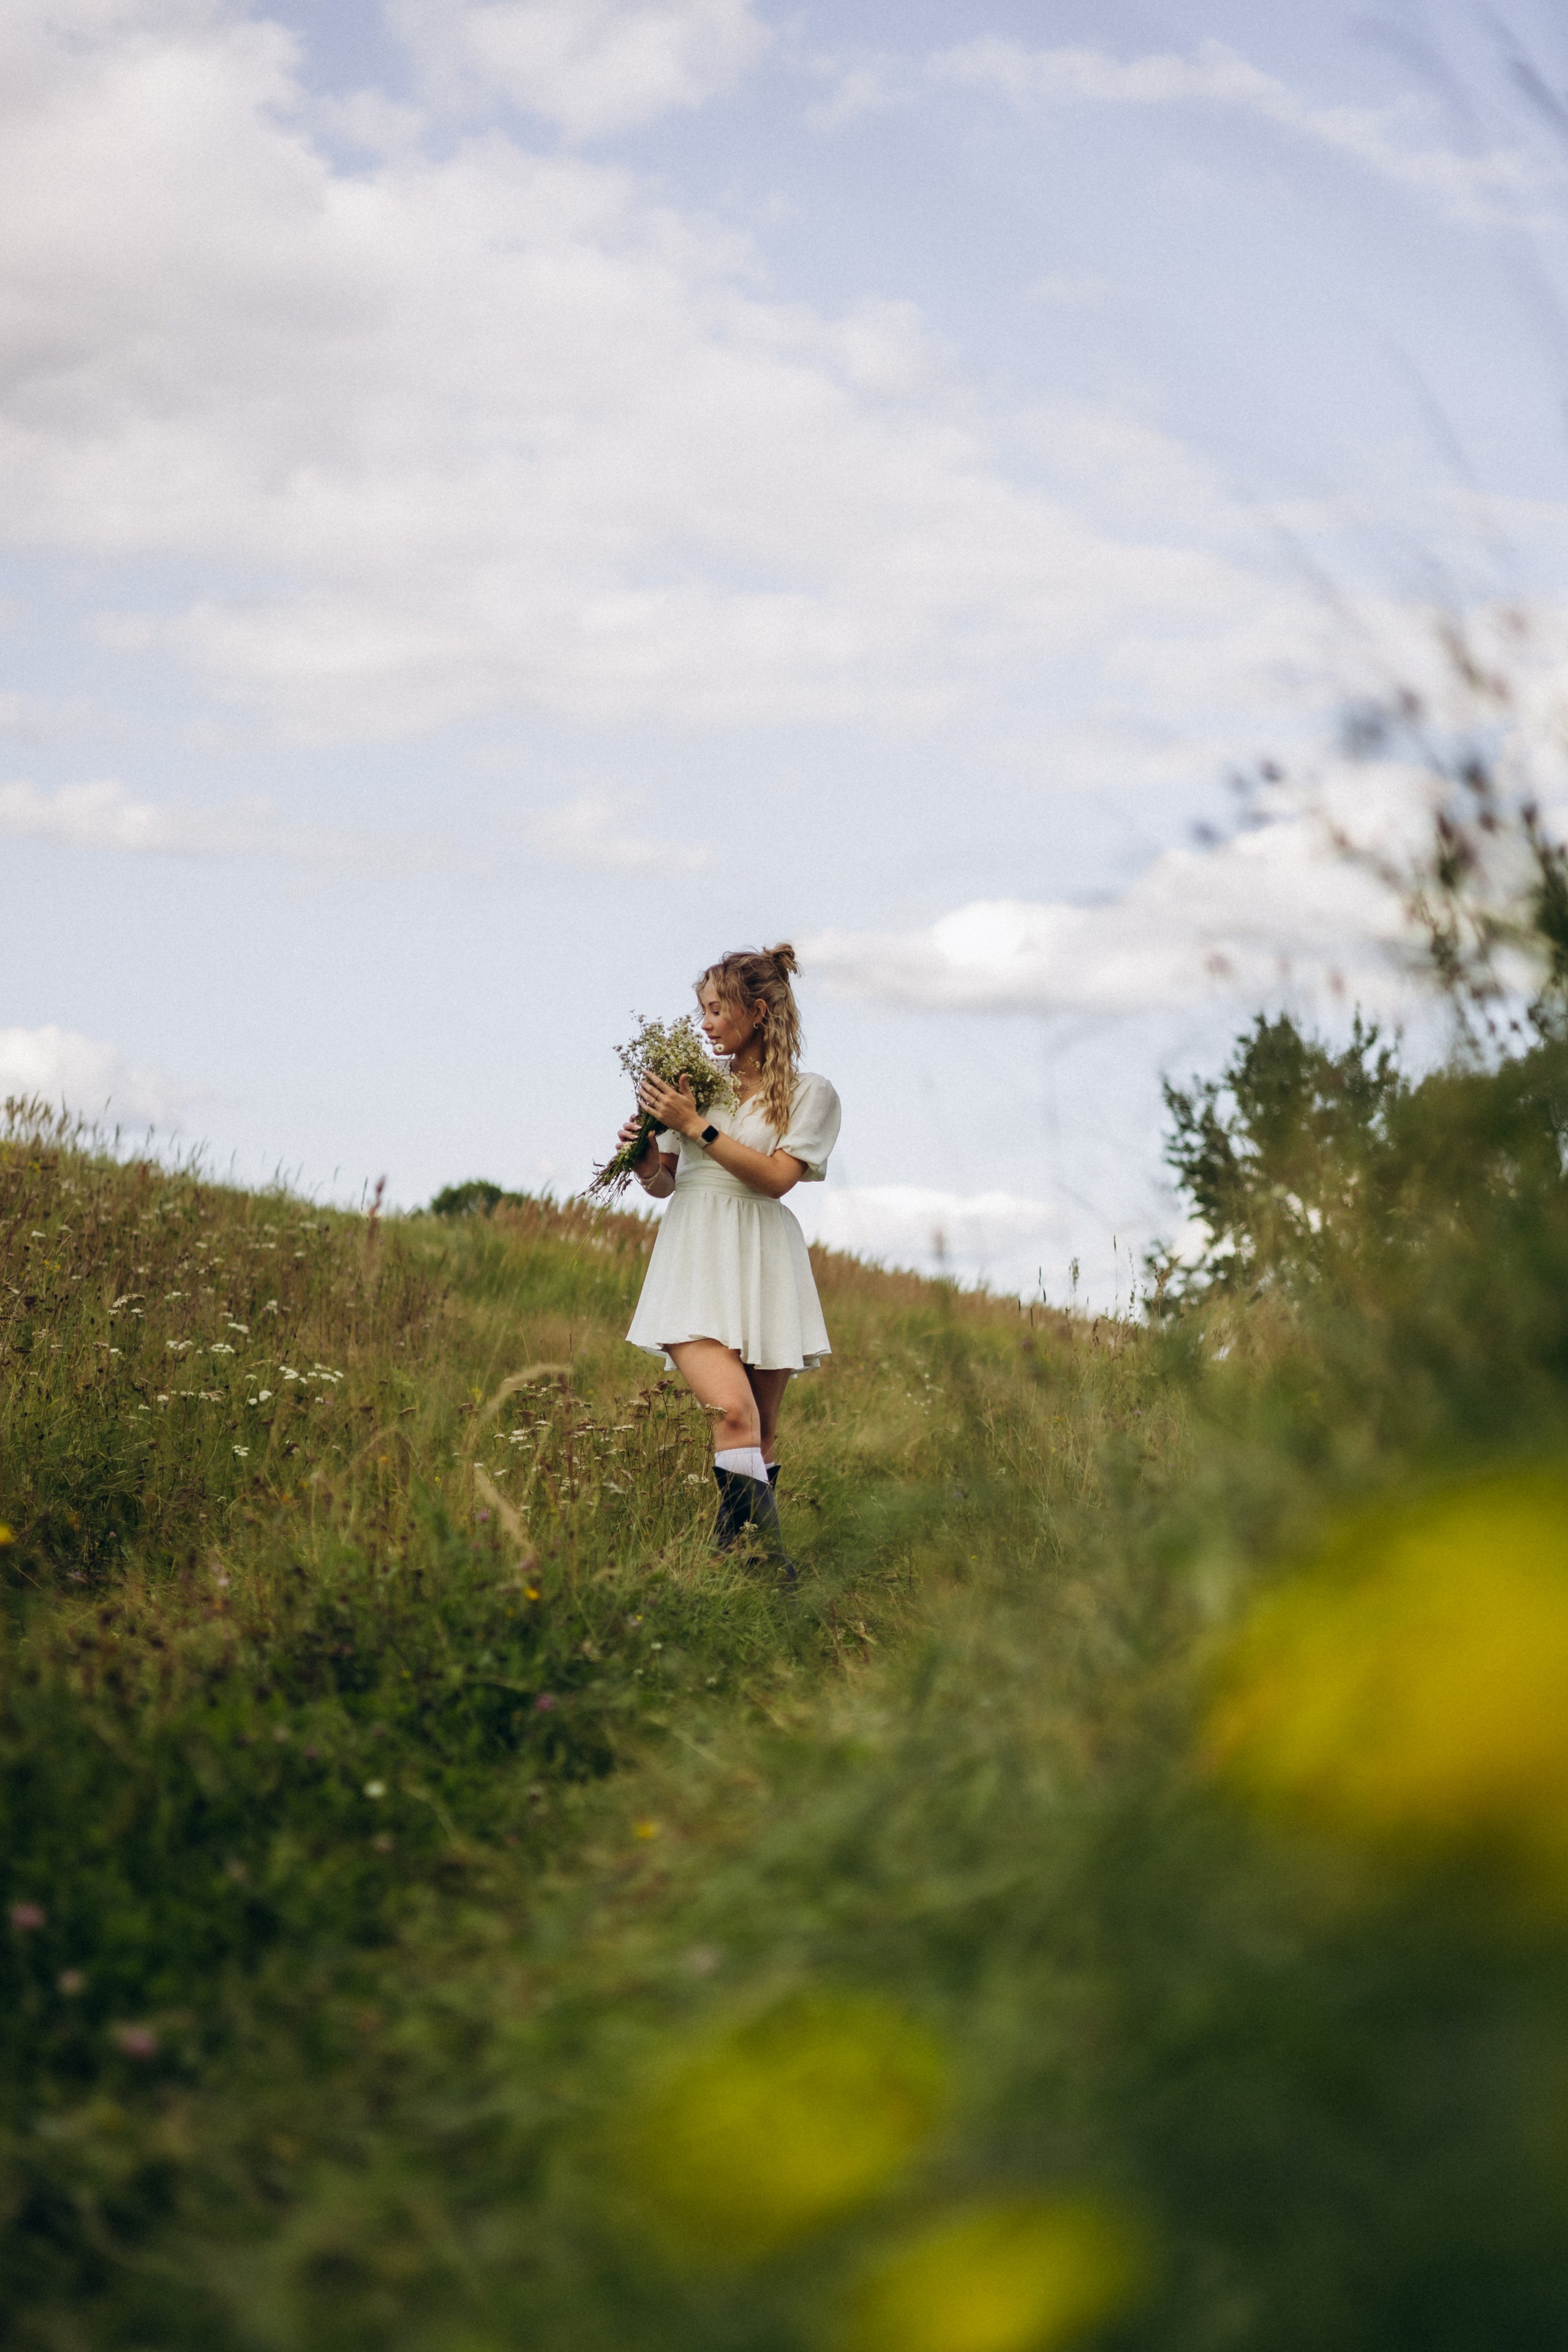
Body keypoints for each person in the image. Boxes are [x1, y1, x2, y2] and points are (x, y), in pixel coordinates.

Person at [617, 943, 841, 1581]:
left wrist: (696, 1127)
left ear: (759, 1011)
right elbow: (663, 1185)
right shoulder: (692, 1085)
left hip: (764, 1255)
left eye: (717, 1009)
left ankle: (728, 1565)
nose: (707, 1023)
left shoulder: (809, 1093)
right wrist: (642, 1156)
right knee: (733, 1415)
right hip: (693, 1252)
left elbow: (775, 1179)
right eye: (702, 1010)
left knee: (763, 1430)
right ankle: (776, 1574)